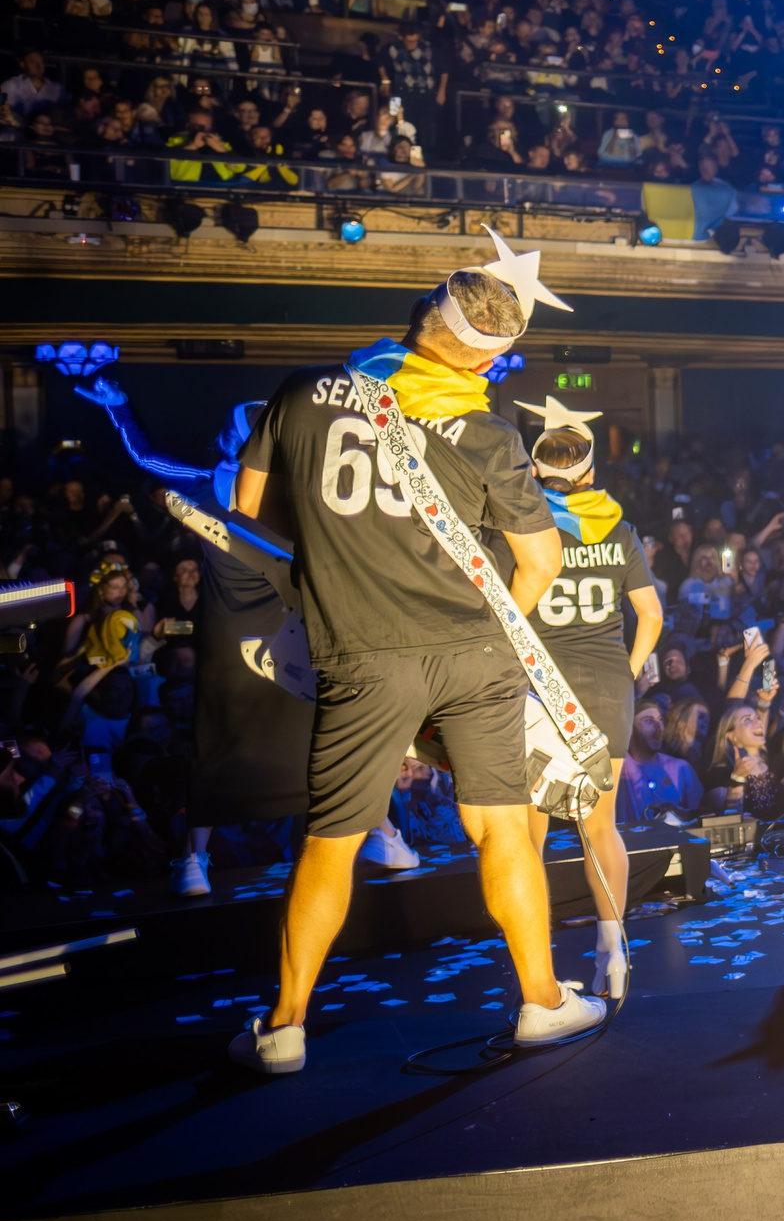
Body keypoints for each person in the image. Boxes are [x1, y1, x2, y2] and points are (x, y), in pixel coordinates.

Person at [226, 235, 605, 1073]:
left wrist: (338, 554)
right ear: (489, 360)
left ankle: (283, 1029)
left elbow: (248, 512)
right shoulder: (488, 430)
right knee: (501, 826)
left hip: (360, 654)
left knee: (332, 839)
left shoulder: (304, 392)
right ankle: (542, 1002)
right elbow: (540, 562)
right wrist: (494, 629)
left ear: (418, 316)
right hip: (474, 654)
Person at [511, 395, 664, 999]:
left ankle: (539, 973)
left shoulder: (520, 527)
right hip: (605, 687)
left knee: (529, 836)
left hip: (538, 686)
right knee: (600, 827)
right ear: (590, 471)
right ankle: (613, 957)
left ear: (535, 468)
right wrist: (627, 673)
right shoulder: (619, 530)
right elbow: (651, 616)